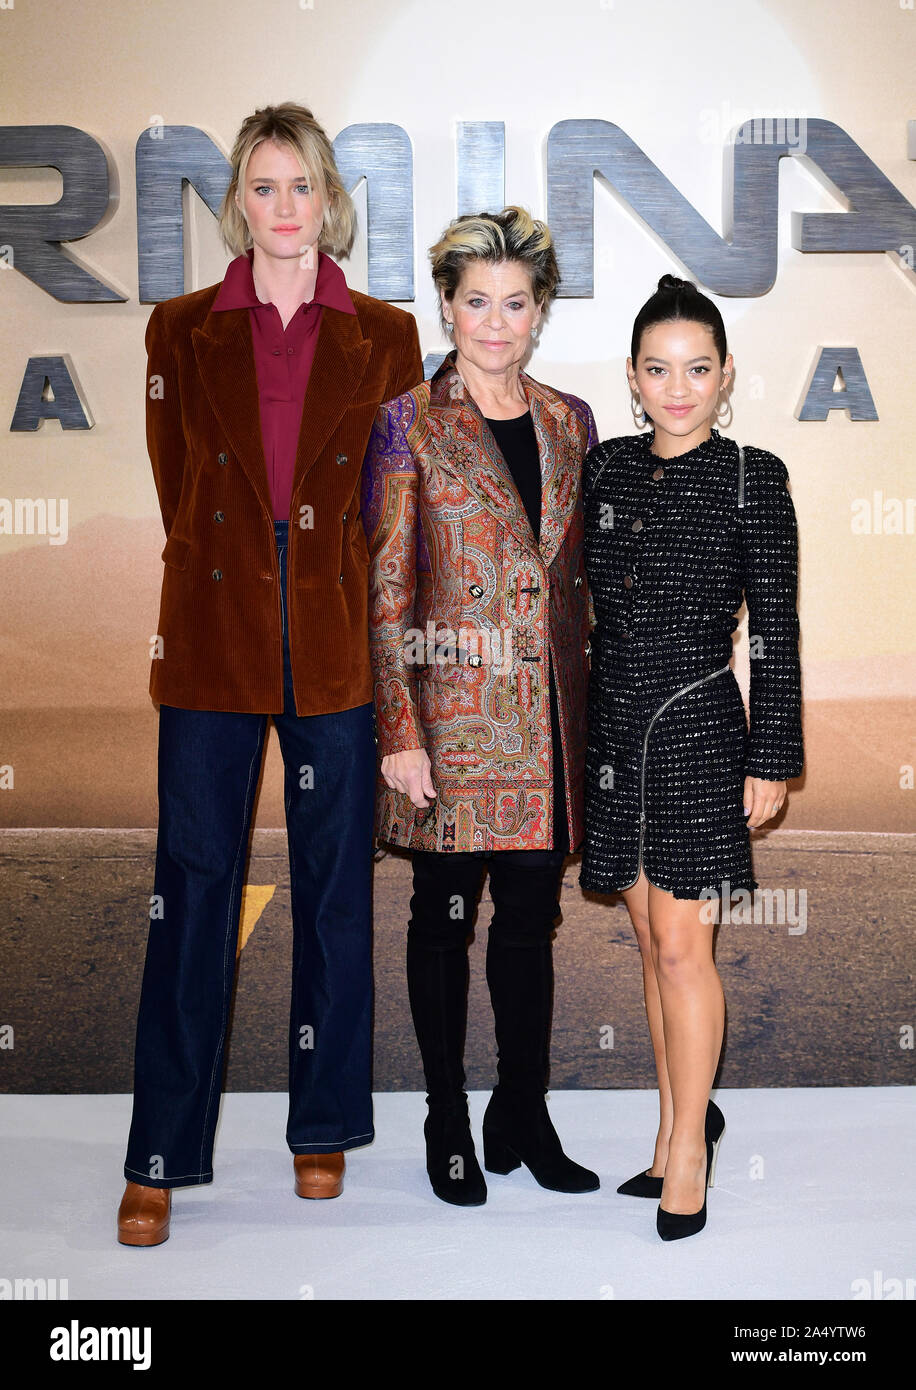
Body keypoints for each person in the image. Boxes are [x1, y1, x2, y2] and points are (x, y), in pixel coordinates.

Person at [117, 102, 422, 1246]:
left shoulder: (385, 335)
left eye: (302, 186)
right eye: (263, 185)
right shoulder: (179, 329)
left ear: (327, 199)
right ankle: (159, 1154)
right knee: (192, 888)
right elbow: (180, 489)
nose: (283, 206)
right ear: (236, 201)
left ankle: (322, 1125)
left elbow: (389, 509)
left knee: (335, 891)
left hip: (334, 642)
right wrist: (242, 569)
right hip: (212, 637)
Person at [361, 207, 600, 1206]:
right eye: (476, 302)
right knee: (443, 921)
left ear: (539, 311)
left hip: (547, 726)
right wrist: (399, 731)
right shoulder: (408, 422)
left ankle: (523, 1111)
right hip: (450, 726)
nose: (495, 323)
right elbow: (386, 588)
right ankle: (448, 1118)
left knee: (530, 922)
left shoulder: (570, 421)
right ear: (447, 308)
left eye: (515, 303)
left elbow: (579, 581)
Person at [581, 274, 803, 1240]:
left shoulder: (755, 477)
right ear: (633, 377)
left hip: (701, 733)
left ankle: (689, 1157)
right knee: (649, 943)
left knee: (683, 948)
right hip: (613, 733)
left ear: (727, 375)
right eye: (659, 369)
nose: (679, 389)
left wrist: (773, 756)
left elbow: (777, 632)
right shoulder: (606, 469)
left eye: (698, 369)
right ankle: (676, 1124)